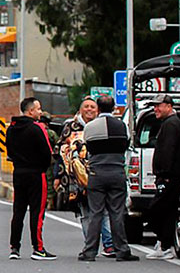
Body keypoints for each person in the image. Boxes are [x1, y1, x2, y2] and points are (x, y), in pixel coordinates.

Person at [78, 95, 139, 262]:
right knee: (117, 213)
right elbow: (126, 144)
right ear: (113, 108)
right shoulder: (121, 126)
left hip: (96, 173)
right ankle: (122, 251)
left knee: (95, 213)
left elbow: (87, 146)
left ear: (98, 108)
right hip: (116, 171)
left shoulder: (90, 127)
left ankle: (89, 252)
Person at [54, 97, 115, 256]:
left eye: (92, 107)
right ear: (80, 109)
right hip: (77, 177)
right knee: (85, 211)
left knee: (105, 209)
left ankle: (109, 244)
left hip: (100, 173)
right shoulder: (70, 127)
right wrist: (57, 176)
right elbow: (60, 152)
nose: (89, 110)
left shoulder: (101, 125)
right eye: (86, 106)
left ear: (98, 110)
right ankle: (90, 245)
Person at [6, 97, 56, 260]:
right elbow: (47, 153)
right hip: (36, 173)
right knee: (37, 211)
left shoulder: (11, 128)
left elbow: (9, 152)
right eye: (38, 109)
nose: (40, 112)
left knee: (18, 211)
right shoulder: (37, 128)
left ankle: (14, 248)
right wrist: (42, 167)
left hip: (18, 172)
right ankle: (38, 248)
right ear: (30, 111)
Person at [146, 94, 180, 259]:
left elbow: (169, 150)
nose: (155, 109)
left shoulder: (171, 124)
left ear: (169, 106)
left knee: (156, 210)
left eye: (159, 105)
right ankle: (164, 244)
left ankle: (165, 244)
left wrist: (165, 174)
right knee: (168, 211)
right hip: (170, 176)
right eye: (154, 106)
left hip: (169, 177)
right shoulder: (170, 123)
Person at [40, 112, 59, 209]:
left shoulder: (35, 130)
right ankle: (50, 201)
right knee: (49, 180)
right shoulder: (51, 133)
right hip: (49, 161)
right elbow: (58, 144)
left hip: (35, 161)